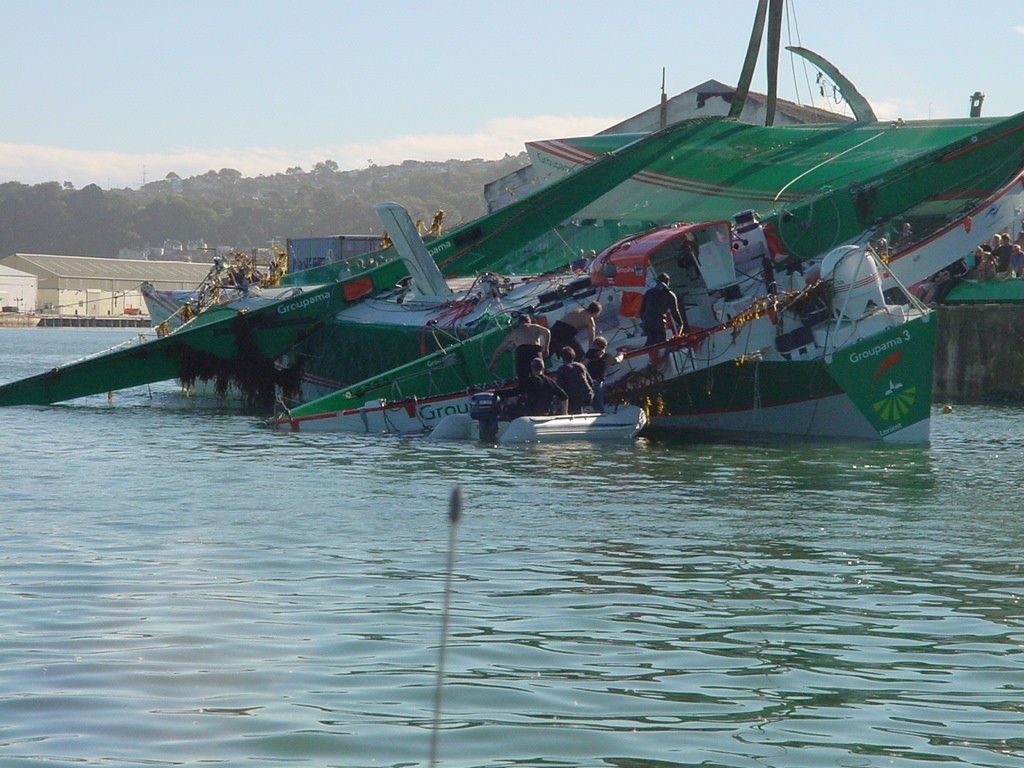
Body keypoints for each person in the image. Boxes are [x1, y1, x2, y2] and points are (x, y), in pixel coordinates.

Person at [488, 314, 551, 382]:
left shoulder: (514, 333)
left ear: (519, 323)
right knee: (539, 376)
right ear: (529, 321)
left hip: (522, 353)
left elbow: (499, 349)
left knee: (523, 379)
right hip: (535, 351)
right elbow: (547, 332)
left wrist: (492, 363)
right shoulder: (535, 327)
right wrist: (546, 348)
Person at [499, 357, 567, 417]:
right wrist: (565, 413)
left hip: (531, 414)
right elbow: (564, 396)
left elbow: (516, 392)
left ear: (532, 368)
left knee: (512, 404)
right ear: (543, 368)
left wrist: (498, 393)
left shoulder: (529, 381)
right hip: (546, 414)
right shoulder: (551, 382)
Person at [640, 273, 685, 347]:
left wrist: (644, 322)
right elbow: (675, 312)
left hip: (647, 323)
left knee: (650, 343)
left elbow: (642, 311)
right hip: (658, 324)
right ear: (668, 282)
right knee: (660, 345)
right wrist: (681, 323)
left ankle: (650, 356)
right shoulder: (670, 295)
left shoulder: (648, 293)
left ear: (657, 282)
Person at [583, 336, 621, 413]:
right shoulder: (606, 356)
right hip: (596, 382)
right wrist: (621, 354)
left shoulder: (589, 354)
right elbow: (617, 360)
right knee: (599, 406)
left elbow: (583, 365)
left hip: (586, 382)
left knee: (589, 405)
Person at [554, 346, 594, 414]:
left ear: (562, 358)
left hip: (574, 398)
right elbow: (590, 381)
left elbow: (560, 387)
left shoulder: (562, 369)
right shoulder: (581, 366)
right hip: (588, 395)